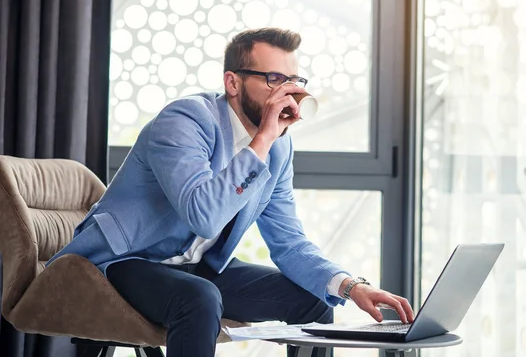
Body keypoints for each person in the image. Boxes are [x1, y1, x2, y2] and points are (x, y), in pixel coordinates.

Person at [47, 27, 414, 356]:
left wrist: (351, 286)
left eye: (294, 80)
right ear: (233, 83)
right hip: (121, 261)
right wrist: (264, 138)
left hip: (197, 268)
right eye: (273, 79)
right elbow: (203, 215)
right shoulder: (184, 121)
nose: (287, 94)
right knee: (199, 297)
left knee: (313, 300)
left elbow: (289, 243)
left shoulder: (279, 149)